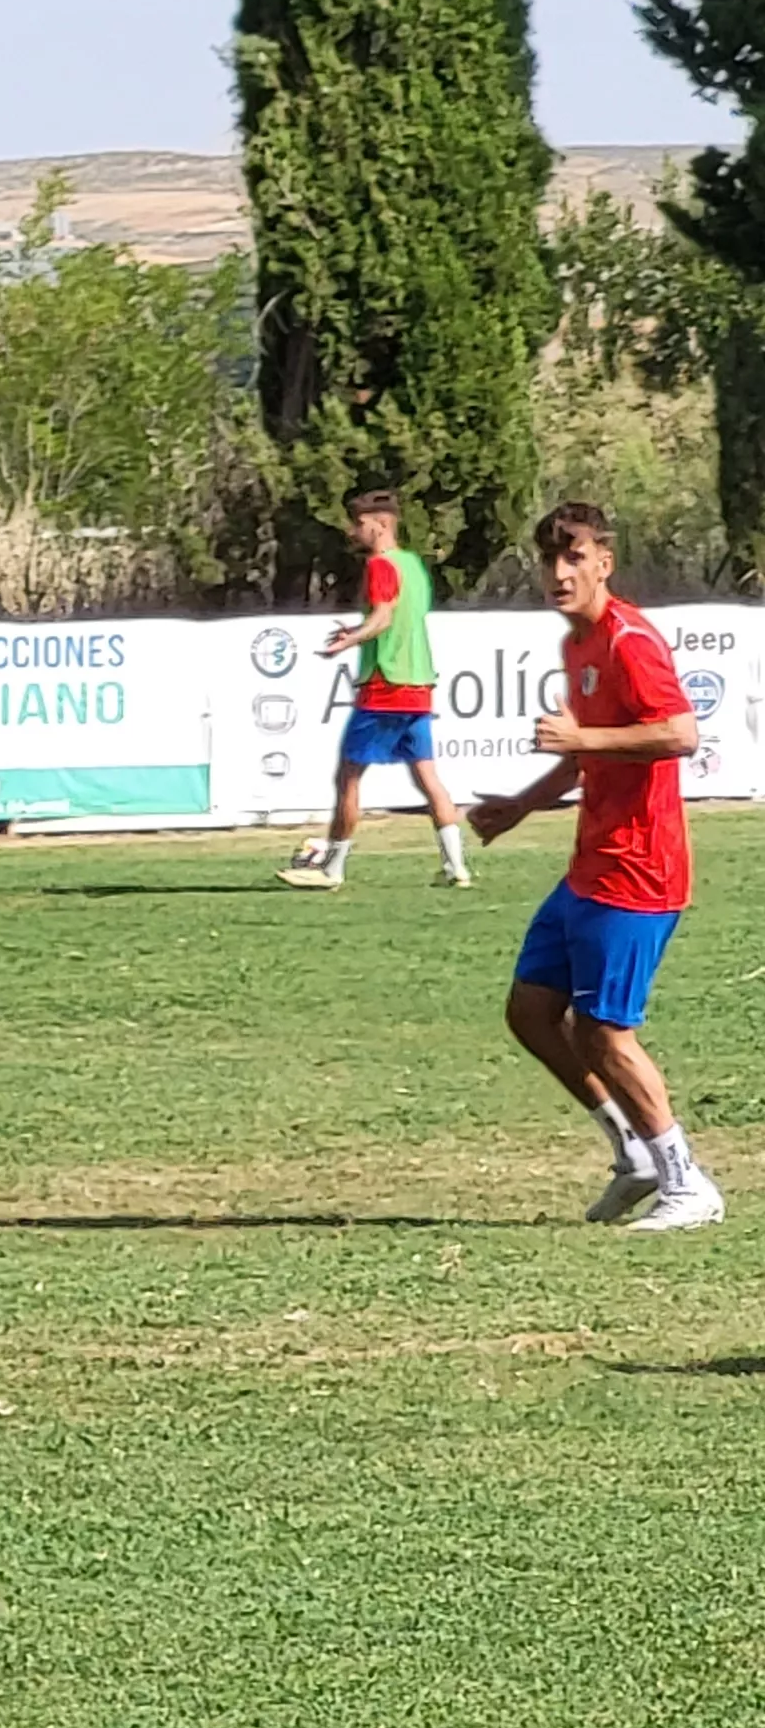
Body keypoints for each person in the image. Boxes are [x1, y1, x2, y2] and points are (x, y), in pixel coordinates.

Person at [471, 500, 719, 1231]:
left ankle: (687, 1182)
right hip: (590, 867)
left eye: (574, 557)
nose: (558, 571)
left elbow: (678, 734)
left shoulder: (628, 641)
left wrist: (589, 737)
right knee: (531, 1012)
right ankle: (632, 1153)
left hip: (639, 873)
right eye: (549, 558)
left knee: (604, 1031)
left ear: (603, 563)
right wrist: (520, 804)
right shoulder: (576, 646)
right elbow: (586, 754)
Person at [281, 486, 472, 891]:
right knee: (427, 777)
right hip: (420, 685)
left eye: (359, 524)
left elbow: (384, 619)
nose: (354, 532)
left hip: (386, 685)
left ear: (380, 524)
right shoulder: (414, 567)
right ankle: (456, 866)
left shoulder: (381, 566)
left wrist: (349, 641)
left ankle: (331, 868)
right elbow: (399, 619)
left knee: (348, 777)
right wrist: (358, 631)